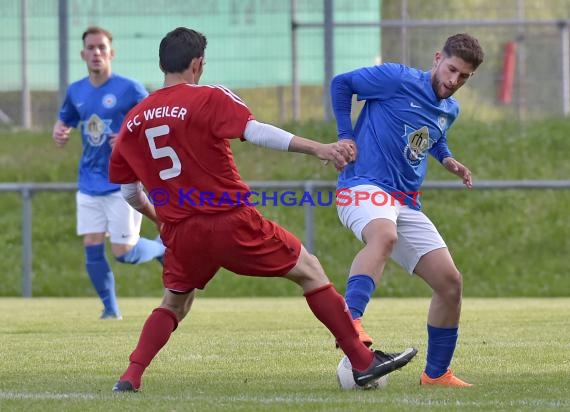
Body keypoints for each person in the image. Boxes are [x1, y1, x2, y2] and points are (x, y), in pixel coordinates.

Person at [108, 27, 418, 392]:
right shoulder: (207, 97)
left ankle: (131, 376)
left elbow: (130, 193)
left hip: (182, 231)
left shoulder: (133, 120)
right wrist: (318, 148)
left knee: (174, 303)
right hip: (230, 221)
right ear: (197, 63)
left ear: (162, 64)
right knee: (311, 271)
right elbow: (255, 132)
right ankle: (363, 361)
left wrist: (163, 219)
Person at [330, 33, 484, 387]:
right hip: (362, 185)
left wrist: (447, 159)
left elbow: (432, 133)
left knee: (450, 283)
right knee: (383, 235)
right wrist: (345, 134)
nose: (453, 81)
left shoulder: (450, 108)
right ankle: (349, 322)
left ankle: (436, 375)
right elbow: (342, 84)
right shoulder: (396, 78)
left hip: (405, 201)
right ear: (436, 58)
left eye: (464, 77)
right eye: (451, 69)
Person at [52, 26, 165, 320]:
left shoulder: (130, 89)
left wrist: (131, 136)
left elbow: (154, 122)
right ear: (83, 54)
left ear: (111, 53)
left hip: (121, 181)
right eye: (91, 48)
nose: (96, 53)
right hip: (88, 182)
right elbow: (66, 119)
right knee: (91, 246)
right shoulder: (75, 90)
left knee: (123, 252)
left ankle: (160, 249)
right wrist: (60, 131)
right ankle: (110, 309)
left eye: (102, 48)